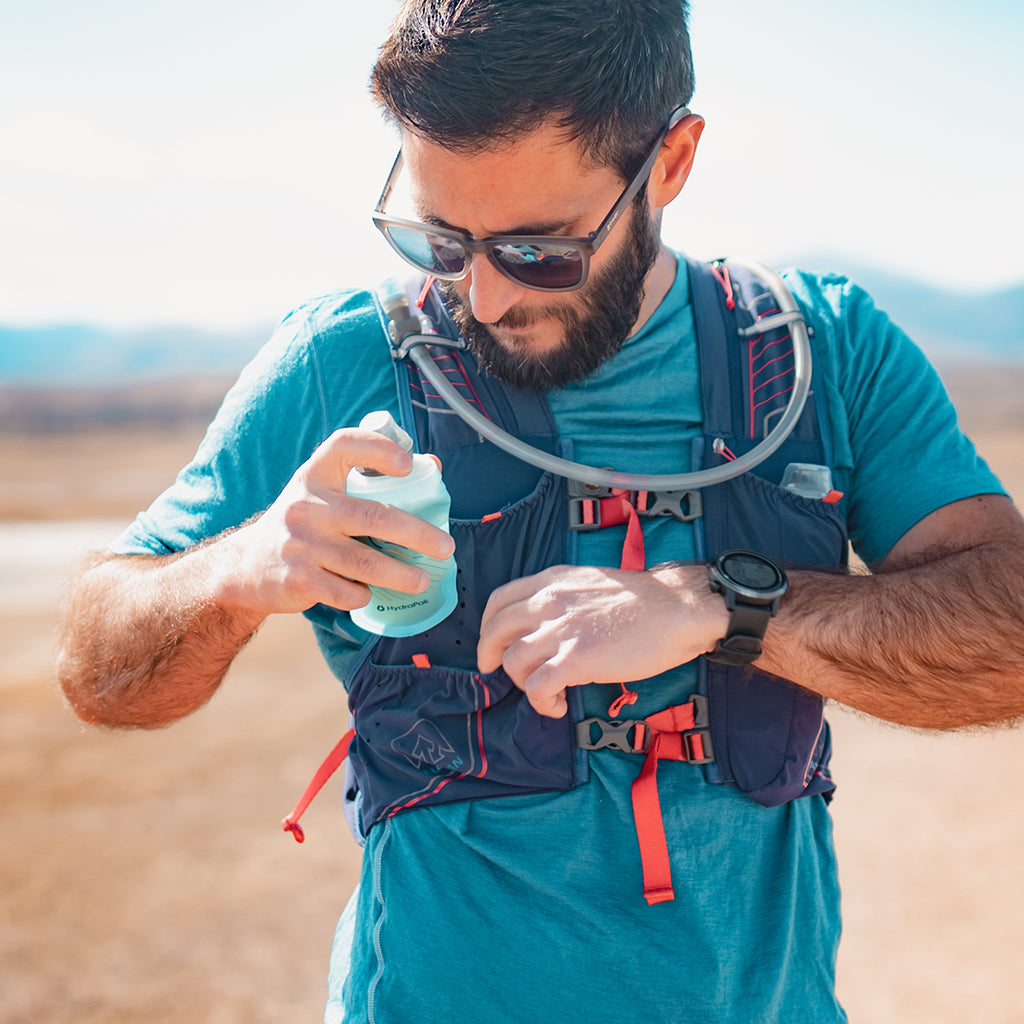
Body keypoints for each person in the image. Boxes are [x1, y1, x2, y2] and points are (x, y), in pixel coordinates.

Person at [56, 1, 1024, 1021]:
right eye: (436, 239)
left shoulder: (825, 353)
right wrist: (238, 568)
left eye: (537, 251)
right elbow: (99, 671)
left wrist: (719, 605)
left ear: (671, 163)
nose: (478, 298)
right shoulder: (338, 361)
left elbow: (1005, 627)